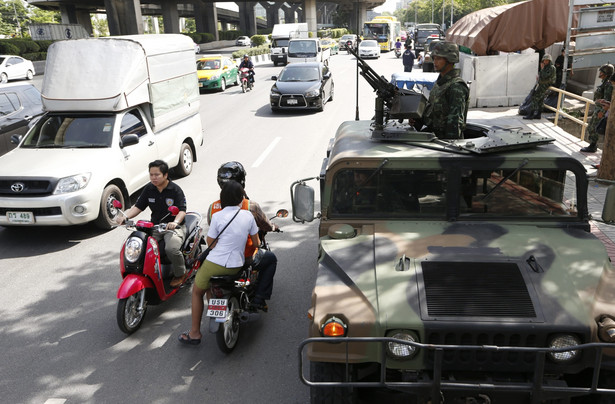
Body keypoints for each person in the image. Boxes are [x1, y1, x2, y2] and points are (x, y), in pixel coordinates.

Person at [178, 181, 259, 345]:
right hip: (237, 265)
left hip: (215, 264)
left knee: (196, 292)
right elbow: (256, 243)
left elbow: (210, 243)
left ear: (222, 199)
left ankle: (194, 333)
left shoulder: (217, 216)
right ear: (241, 198)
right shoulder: (248, 215)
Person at [207, 161, 278, 312]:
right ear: (242, 182)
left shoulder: (212, 208)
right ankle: (259, 298)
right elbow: (260, 235)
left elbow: (211, 239)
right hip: (244, 258)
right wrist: (272, 227)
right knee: (270, 259)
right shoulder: (250, 207)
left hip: (219, 259)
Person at [115, 160, 188, 288]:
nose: (153, 178)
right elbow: (138, 207)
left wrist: (175, 222)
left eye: (157, 175)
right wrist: (125, 217)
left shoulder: (175, 190)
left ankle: (180, 273)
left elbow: (182, 211)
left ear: (165, 175)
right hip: (155, 227)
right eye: (151, 175)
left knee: (171, 248)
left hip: (174, 227)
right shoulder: (149, 188)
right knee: (140, 248)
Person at [421, 41, 470, 139]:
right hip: (434, 139)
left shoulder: (456, 86)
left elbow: (455, 124)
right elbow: (432, 113)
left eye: (439, 59)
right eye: (434, 58)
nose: (435, 62)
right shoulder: (440, 83)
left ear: (450, 60)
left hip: (446, 145)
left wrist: (450, 149)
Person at [580, 63, 614, 153]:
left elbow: (607, 100)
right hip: (598, 109)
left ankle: (593, 146)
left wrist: (602, 112)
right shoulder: (605, 83)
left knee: (593, 128)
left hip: (601, 110)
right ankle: (592, 144)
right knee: (592, 127)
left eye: (601, 72)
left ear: (605, 73)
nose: (600, 74)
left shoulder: (608, 85)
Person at [523, 54, 556, 120]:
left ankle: (531, 115)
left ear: (549, 61)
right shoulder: (546, 67)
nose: (545, 62)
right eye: (544, 60)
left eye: (547, 60)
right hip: (542, 85)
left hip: (544, 86)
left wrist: (542, 69)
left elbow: (544, 75)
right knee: (540, 101)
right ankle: (538, 115)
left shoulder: (551, 68)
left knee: (535, 99)